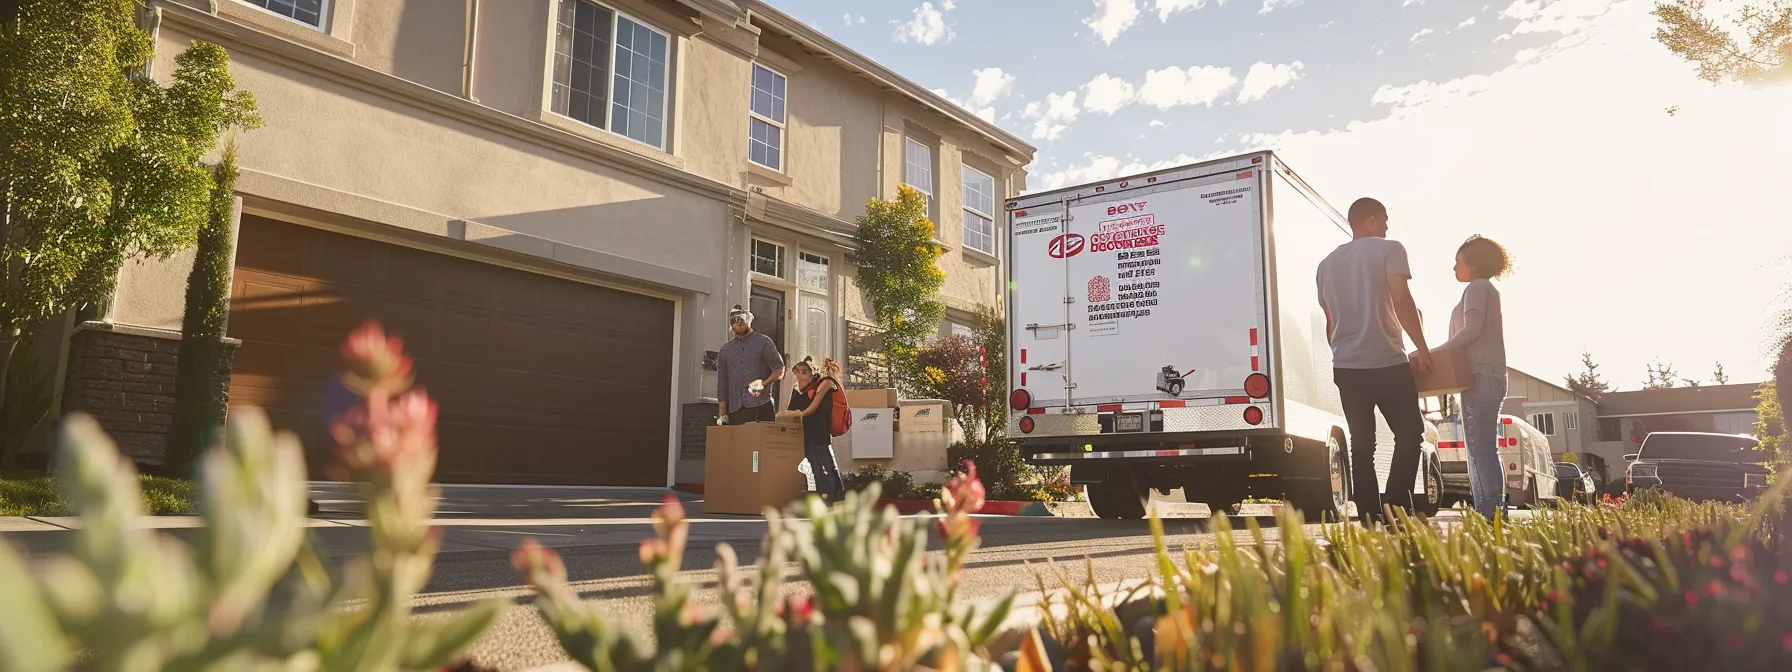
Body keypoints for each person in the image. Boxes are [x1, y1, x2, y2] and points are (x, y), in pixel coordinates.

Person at [1317, 197, 1431, 525]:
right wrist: (1422, 348)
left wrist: (1341, 353)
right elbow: (1401, 300)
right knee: (1410, 434)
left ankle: (1369, 517)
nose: (1385, 227)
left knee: (1362, 444)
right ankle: (1395, 508)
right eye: (1382, 220)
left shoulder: (1326, 264)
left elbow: (1330, 320)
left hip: (1347, 366)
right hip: (1387, 362)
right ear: (1368, 219)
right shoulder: (1389, 249)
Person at [1433, 235, 1512, 521]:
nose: (1454, 268)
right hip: (1487, 378)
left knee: (1480, 451)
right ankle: (1492, 512)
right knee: (1484, 449)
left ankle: (1490, 514)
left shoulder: (1477, 288)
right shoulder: (1484, 289)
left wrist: (1435, 353)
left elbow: (1471, 329)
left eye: (1458, 262)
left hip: (1482, 377)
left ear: (1473, 265)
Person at [778, 357, 846, 502]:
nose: (800, 376)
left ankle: (837, 495)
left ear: (810, 373)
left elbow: (810, 409)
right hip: (806, 434)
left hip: (820, 432)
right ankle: (824, 496)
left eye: (803, 372)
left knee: (827, 464)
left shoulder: (823, 385)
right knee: (815, 466)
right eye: (797, 372)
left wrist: (791, 413)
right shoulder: (798, 391)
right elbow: (791, 408)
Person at [716, 306, 784, 426]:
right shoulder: (725, 350)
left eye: (741, 320)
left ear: (748, 320)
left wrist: (762, 384)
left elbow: (779, 369)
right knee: (740, 444)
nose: (738, 323)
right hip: (736, 409)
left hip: (761, 405)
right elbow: (722, 384)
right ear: (731, 325)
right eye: (734, 321)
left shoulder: (763, 342)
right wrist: (722, 416)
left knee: (762, 444)